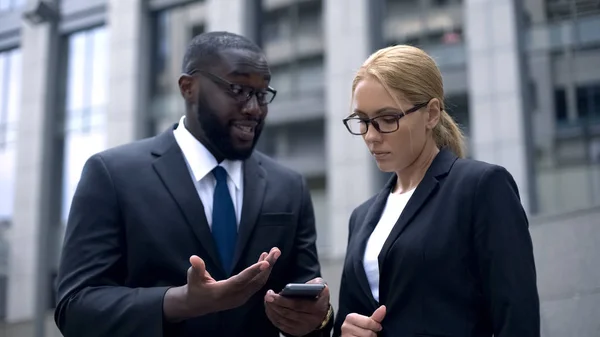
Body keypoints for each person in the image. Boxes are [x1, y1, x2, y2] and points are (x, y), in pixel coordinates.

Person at [54, 31, 333, 337]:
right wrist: (181, 302)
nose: (254, 108)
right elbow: (75, 307)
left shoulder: (289, 186)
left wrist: (318, 320)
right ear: (188, 87)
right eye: (238, 89)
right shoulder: (112, 174)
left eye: (262, 94)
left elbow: (309, 299)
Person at [333, 45, 540, 337]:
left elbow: (517, 317)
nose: (370, 136)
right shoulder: (362, 216)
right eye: (362, 121)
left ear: (431, 113)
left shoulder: (480, 187)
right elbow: (351, 315)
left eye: (387, 119)